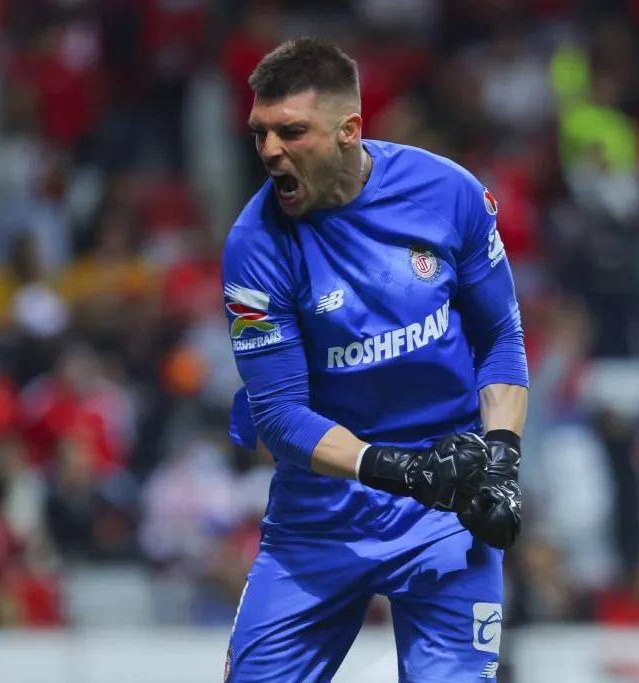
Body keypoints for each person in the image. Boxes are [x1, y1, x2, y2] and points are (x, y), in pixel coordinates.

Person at [221, 38, 529, 682]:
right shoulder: (254, 247)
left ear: (349, 130)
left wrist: (501, 461)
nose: (270, 151)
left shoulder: (449, 193)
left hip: (444, 508)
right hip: (320, 520)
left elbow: (499, 336)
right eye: (260, 134)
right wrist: (399, 469)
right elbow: (279, 416)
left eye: (291, 132)